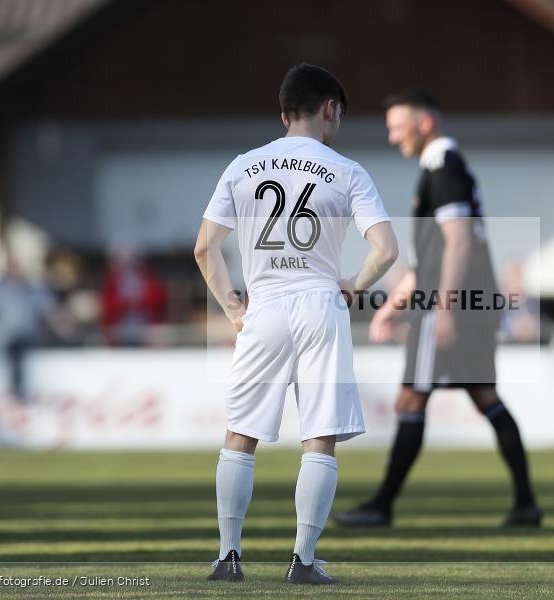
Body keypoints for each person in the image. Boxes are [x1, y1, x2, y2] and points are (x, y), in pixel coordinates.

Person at [194, 63, 398, 585]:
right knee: (319, 437)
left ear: (284, 113)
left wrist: (233, 310)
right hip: (319, 304)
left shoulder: (243, 167)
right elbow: (387, 249)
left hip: (262, 306)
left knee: (240, 434)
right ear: (329, 109)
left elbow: (205, 248)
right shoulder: (347, 170)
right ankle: (302, 561)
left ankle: (228, 557)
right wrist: (352, 285)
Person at [332, 90, 541, 529]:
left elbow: (459, 240)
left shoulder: (443, 167)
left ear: (425, 122)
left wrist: (443, 307)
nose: (393, 137)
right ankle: (526, 503)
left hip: (448, 306)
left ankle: (382, 505)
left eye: (397, 126)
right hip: (467, 303)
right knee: (485, 397)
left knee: (412, 395)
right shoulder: (442, 168)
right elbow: (429, 258)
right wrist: (392, 306)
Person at [0, 258, 58, 401]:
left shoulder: (31, 289)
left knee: (24, 363)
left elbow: (48, 305)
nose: (16, 272)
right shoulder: (0, 290)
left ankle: (21, 391)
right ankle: (14, 392)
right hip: (8, 335)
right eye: (13, 269)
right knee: (12, 364)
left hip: (27, 334)